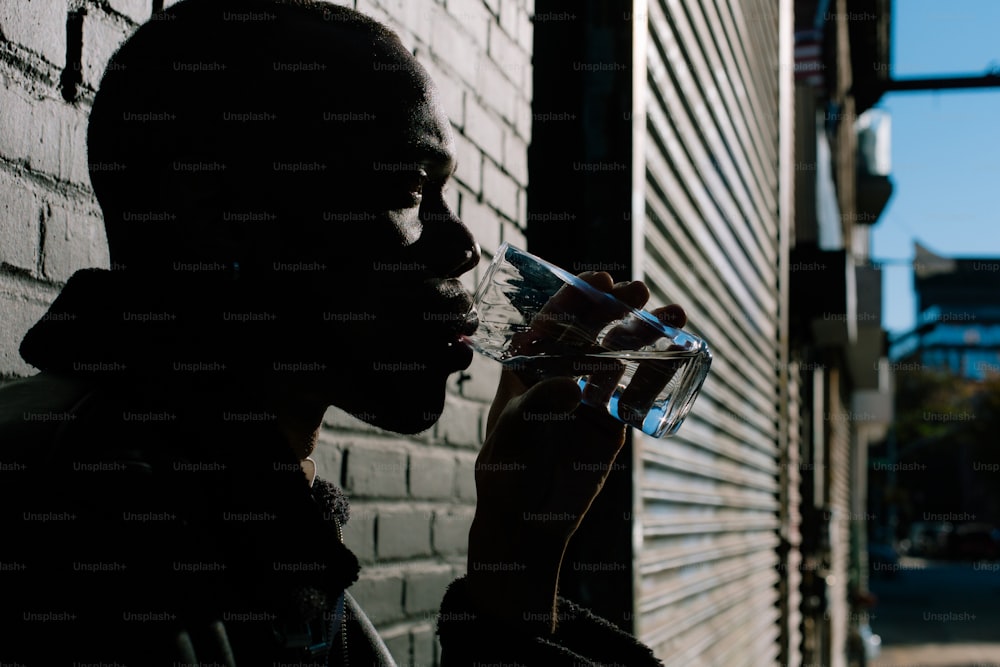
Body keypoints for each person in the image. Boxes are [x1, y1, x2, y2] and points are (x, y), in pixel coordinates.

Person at [0, 1, 684, 664]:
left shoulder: (248, 538)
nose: (464, 247)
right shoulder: (83, 544)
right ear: (222, 213)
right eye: (413, 190)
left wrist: (516, 554)